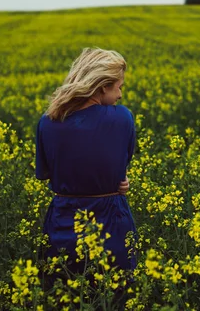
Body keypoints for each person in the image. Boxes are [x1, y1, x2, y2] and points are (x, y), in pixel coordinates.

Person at [35, 47, 137, 277]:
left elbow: (44, 173)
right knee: (114, 295)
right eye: (119, 87)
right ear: (103, 86)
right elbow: (119, 167)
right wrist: (118, 182)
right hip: (111, 222)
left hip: (63, 224)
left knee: (65, 293)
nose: (120, 95)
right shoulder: (123, 118)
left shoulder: (48, 121)